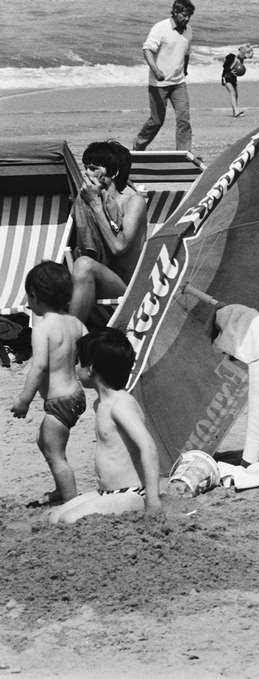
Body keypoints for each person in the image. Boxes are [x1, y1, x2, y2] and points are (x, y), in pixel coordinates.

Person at [49, 328, 162, 524]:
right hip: (106, 492)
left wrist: (153, 499)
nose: (76, 368)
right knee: (55, 517)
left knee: (69, 520)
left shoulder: (120, 405)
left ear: (90, 369)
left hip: (130, 493)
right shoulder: (101, 404)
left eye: (79, 362)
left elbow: (148, 447)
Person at [11, 263, 88, 508]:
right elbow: (87, 351)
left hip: (58, 402)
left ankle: (70, 501)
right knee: (43, 440)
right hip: (75, 395)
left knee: (56, 455)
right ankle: (60, 489)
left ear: (35, 296)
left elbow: (39, 366)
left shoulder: (42, 327)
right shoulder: (75, 323)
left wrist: (24, 399)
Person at [69, 141, 148, 325]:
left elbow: (119, 247)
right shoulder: (86, 201)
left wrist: (96, 205)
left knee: (83, 265)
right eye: (86, 167)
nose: (86, 173)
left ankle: (70, 336)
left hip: (127, 286)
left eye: (93, 168)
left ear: (114, 173)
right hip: (96, 278)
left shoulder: (133, 202)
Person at [133, 0, 195, 151]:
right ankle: (138, 146)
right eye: (184, 15)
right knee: (156, 121)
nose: (187, 19)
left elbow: (186, 52)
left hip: (178, 83)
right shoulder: (160, 28)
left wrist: (184, 69)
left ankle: (183, 153)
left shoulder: (188, 30)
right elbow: (147, 50)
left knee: (184, 119)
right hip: (158, 84)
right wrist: (156, 70)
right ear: (175, 12)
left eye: (189, 16)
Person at [222, 44, 254, 118]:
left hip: (233, 78)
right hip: (226, 77)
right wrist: (231, 72)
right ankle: (236, 112)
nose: (245, 55)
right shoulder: (234, 58)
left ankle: (234, 112)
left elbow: (250, 56)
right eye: (244, 53)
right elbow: (225, 67)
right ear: (241, 53)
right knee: (232, 93)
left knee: (236, 94)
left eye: (245, 54)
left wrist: (251, 50)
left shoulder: (241, 58)